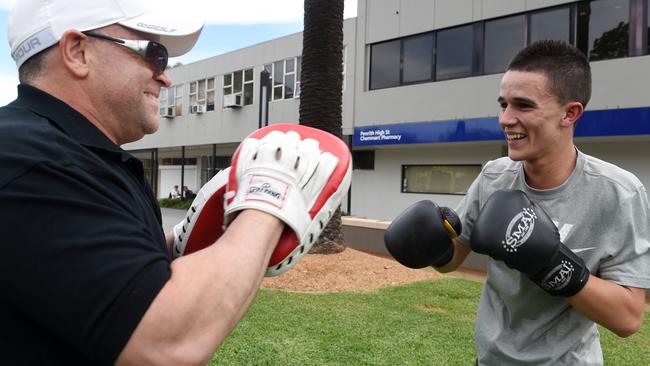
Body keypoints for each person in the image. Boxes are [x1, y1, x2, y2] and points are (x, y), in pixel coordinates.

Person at [0, 0, 350, 365]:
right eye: (154, 54)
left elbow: (80, 279)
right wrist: (269, 197)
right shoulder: (28, 159)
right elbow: (166, 344)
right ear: (77, 52)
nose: (165, 76)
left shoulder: (73, 156)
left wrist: (179, 242)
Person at [384, 40, 650, 365]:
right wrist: (432, 246)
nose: (506, 119)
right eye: (503, 104)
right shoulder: (494, 176)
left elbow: (627, 319)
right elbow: (453, 259)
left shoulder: (619, 193)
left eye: (523, 106)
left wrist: (552, 263)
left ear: (570, 113)